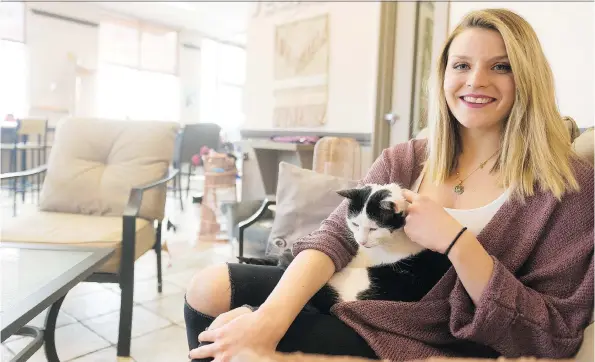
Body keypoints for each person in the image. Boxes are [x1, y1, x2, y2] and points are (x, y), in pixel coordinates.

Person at [184, 8, 594, 362]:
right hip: (360, 296)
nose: (476, 81)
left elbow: (552, 332)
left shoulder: (570, 186)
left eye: (500, 66)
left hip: (437, 331)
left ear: (528, 78)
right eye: (461, 65)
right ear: (444, 75)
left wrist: (457, 242)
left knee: (236, 335)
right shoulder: (407, 158)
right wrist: (268, 317)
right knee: (208, 289)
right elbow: (334, 237)